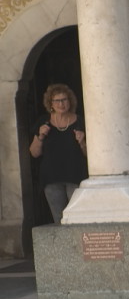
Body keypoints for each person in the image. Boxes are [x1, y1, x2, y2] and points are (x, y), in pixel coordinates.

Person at [29, 84, 86, 224]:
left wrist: (82, 142)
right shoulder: (44, 122)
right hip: (51, 178)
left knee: (78, 219)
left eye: (65, 100)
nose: (61, 104)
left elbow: (90, 155)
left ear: (70, 101)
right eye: (57, 101)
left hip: (76, 176)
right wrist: (41, 136)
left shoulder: (81, 121)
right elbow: (34, 153)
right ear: (51, 104)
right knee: (58, 220)